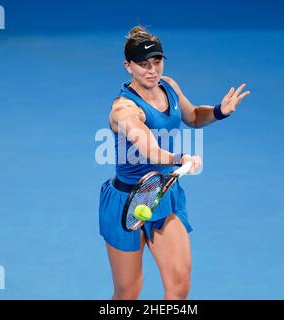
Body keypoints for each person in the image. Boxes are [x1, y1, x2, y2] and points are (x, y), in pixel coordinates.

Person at [99, 25, 250, 300]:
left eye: (156, 61)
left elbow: (192, 116)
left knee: (179, 286)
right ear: (127, 66)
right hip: (125, 202)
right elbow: (147, 148)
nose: (152, 70)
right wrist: (178, 159)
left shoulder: (169, 86)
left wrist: (218, 111)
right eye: (143, 64)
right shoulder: (123, 109)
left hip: (162, 194)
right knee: (128, 292)